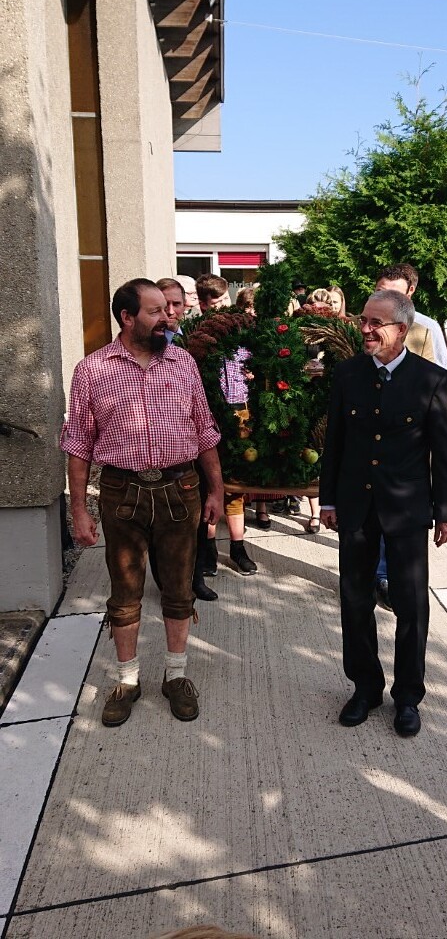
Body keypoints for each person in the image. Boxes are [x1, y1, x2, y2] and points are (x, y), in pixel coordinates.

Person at [61, 279, 223, 727]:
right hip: (122, 493)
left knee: (178, 588)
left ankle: (176, 676)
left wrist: (215, 490)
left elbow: (204, 430)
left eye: (168, 310)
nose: (168, 318)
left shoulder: (183, 362)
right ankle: (127, 680)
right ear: (127, 317)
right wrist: (79, 509)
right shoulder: (92, 370)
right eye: (156, 311)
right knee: (125, 591)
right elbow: (78, 444)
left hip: (180, 490)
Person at [319, 289, 447, 737]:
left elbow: (444, 452)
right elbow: (335, 442)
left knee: (411, 606)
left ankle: (408, 697)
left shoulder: (431, 379)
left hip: (408, 510)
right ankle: (365, 689)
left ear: (401, 329)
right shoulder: (347, 374)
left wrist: (446, 511)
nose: (365, 329)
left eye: (374, 323)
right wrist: (328, 499)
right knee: (355, 600)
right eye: (363, 320)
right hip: (356, 506)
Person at [374, 264, 447, 612]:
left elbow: (438, 382)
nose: (385, 297)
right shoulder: (364, 325)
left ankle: (388, 576)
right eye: (380, 289)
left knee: (397, 512)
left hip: (407, 441)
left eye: (394, 292)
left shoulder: (425, 329)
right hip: (370, 437)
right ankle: (376, 574)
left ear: (411, 293)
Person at [196, 275, 259, 575]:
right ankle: (208, 547)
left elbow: (257, 362)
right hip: (208, 413)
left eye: (222, 301)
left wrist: (253, 373)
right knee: (209, 481)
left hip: (240, 410)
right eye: (212, 303)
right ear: (201, 304)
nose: (219, 308)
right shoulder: (197, 335)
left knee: (235, 482)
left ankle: (237, 546)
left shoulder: (242, 330)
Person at [156, 277, 186, 342]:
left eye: (176, 304)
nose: (171, 312)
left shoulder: (193, 333)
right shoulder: (145, 342)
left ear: (184, 305)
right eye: (165, 305)